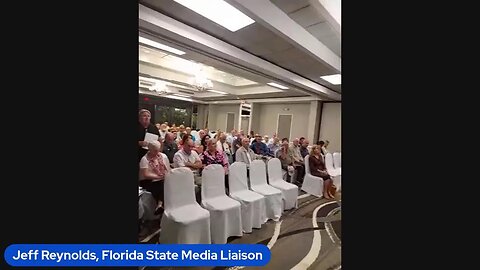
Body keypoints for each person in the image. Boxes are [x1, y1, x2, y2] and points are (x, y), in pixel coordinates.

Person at [139, 141, 171, 214]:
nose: (157, 152)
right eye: (155, 151)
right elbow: (145, 174)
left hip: (161, 178)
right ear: (149, 149)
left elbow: (168, 169)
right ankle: (160, 204)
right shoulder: (144, 159)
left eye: (158, 150)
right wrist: (158, 176)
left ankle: (160, 205)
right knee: (161, 185)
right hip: (148, 180)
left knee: (167, 184)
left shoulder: (163, 156)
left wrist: (165, 175)